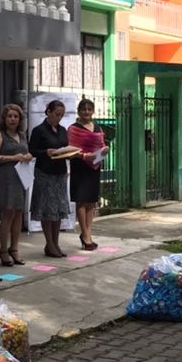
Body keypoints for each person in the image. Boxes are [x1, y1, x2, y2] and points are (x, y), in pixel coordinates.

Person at [0, 103, 32, 266]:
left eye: (16, 116)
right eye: (10, 116)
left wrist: (27, 156)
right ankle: (3, 250)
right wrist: (13, 158)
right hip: (6, 177)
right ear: (4, 119)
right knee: (8, 213)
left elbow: (24, 152)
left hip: (21, 176)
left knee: (19, 213)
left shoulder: (22, 135)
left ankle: (14, 249)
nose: (13, 119)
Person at [29, 99, 71, 258]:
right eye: (56, 114)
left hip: (59, 172)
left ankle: (56, 242)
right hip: (45, 173)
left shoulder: (62, 130)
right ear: (48, 112)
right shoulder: (39, 130)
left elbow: (65, 146)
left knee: (59, 209)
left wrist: (68, 153)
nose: (59, 118)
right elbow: (32, 150)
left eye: (61, 115)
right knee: (47, 209)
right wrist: (45, 152)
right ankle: (49, 243)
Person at [67, 98, 110, 251]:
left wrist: (105, 149)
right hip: (80, 166)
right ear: (78, 111)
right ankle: (85, 234)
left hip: (94, 167)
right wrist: (85, 156)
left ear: (93, 111)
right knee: (81, 200)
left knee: (91, 201)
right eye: (83, 109)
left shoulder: (97, 126)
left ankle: (88, 233)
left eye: (89, 109)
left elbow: (102, 143)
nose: (86, 112)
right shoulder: (73, 128)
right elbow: (71, 150)